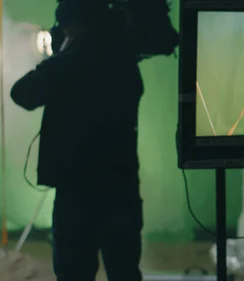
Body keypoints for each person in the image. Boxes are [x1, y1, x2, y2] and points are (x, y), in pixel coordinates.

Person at [10, 1, 144, 281]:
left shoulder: (66, 65)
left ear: (73, 27)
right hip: (121, 189)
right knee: (125, 271)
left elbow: (21, 93)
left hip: (77, 194)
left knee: (74, 273)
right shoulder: (124, 63)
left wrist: (60, 54)